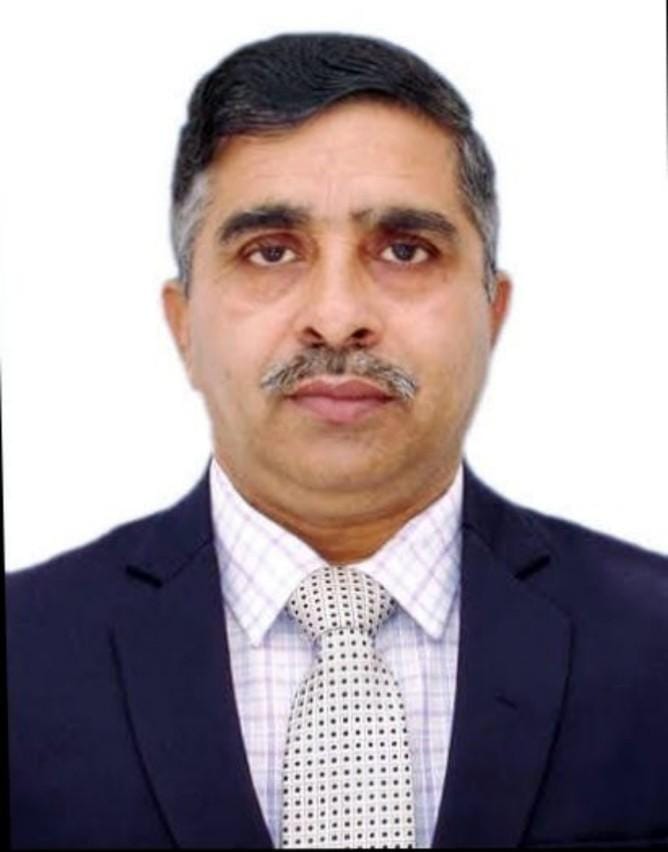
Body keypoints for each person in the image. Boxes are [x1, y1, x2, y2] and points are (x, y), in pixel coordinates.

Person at [6, 31, 668, 849]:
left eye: (405, 249)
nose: (337, 315)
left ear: (492, 313)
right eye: (271, 251)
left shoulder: (654, 640)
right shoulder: (23, 653)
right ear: (184, 325)